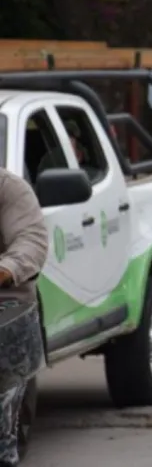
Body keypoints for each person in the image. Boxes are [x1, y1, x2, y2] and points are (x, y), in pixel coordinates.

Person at [0, 169, 49, 466]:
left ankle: (7, 446)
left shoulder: (8, 189)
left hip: (6, 299)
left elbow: (31, 239)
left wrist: (7, 268)